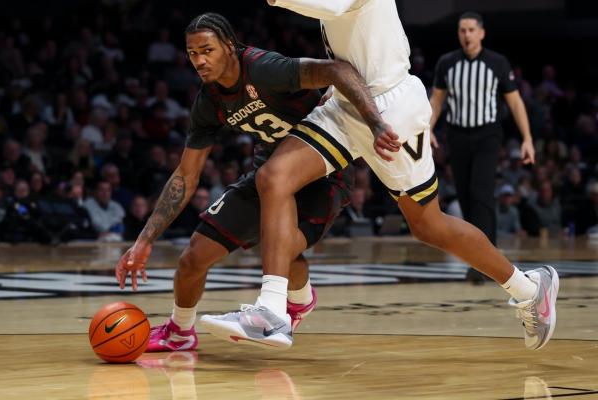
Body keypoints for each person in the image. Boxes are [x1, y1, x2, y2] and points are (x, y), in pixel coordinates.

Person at [201, 0, 559, 352]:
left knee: (428, 224)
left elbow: (335, 8)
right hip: (346, 100)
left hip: (391, 106)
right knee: (273, 177)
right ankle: (271, 311)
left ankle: (528, 288)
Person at [115, 12, 387, 351]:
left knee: (282, 248)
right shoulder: (209, 101)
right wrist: (144, 241)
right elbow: (185, 175)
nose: (199, 61)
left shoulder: (263, 68)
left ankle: (297, 301)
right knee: (192, 258)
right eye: (192, 53)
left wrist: (376, 124)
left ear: (229, 46)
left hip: (324, 173)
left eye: (207, 50)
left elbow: (336, 70)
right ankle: (179, 332)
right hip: (268, 172)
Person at [429, 11, 535, 248]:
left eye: (471, 30)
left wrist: (527, 138)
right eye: (462, 30)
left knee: (480, 192)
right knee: (465, 195)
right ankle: (475, 253)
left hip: (487, 135)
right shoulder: (447, 62)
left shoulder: (498, 62)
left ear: (481, 33)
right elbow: (436, 101)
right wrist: (428, 128)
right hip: (457, 135)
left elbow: (515, 102)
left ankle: (487, 252)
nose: (466, 35)